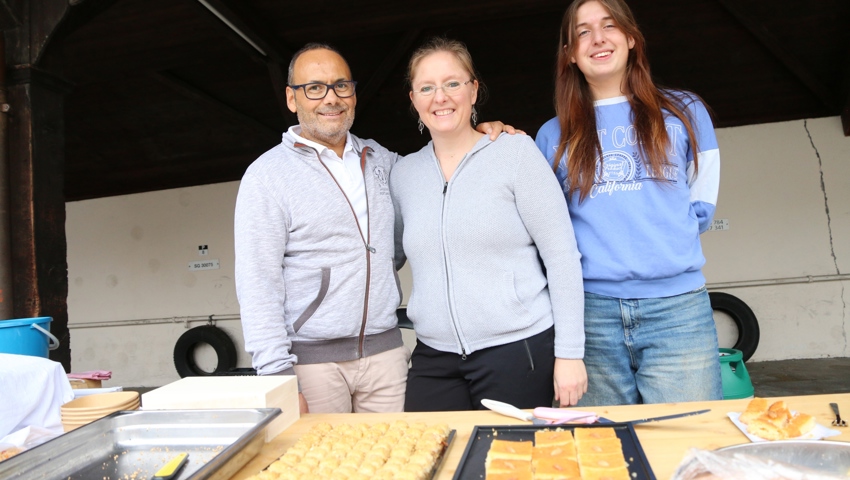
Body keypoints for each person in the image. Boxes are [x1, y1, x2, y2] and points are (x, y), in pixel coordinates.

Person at [234, 43, 514, 414]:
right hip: (313, 364)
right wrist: (277, 378)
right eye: (314, 88)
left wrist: (482, 134)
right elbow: (258, 283)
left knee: (396, 466)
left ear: (353, 93)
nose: (330, 98)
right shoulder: (266, 176)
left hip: (386, 356)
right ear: (292, 98)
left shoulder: (383, 161)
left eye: (341, 86)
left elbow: (439, 169)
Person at [534, 0, 723, 406]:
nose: (597, 38)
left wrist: (661, 242)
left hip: (678, 312)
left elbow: (701, 206)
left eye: (609, 26)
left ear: (632, 38)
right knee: (603, 450)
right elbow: (550, 230)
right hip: (591, 315)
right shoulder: (552, 135)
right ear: (569, 54)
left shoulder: (684, 112)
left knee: (687, 444)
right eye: (582, 32)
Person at [390, 37, 587, 412]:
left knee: (513, 467)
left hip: (518, 350)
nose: (440, 97)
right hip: (434, 356)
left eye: (452, 83)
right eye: (427, 87)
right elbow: (391, 255)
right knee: (435, 465)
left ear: (473, 89)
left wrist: (570, 354)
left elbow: (561, 255)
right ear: (413, 98)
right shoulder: (403, 175)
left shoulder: (515, 153)